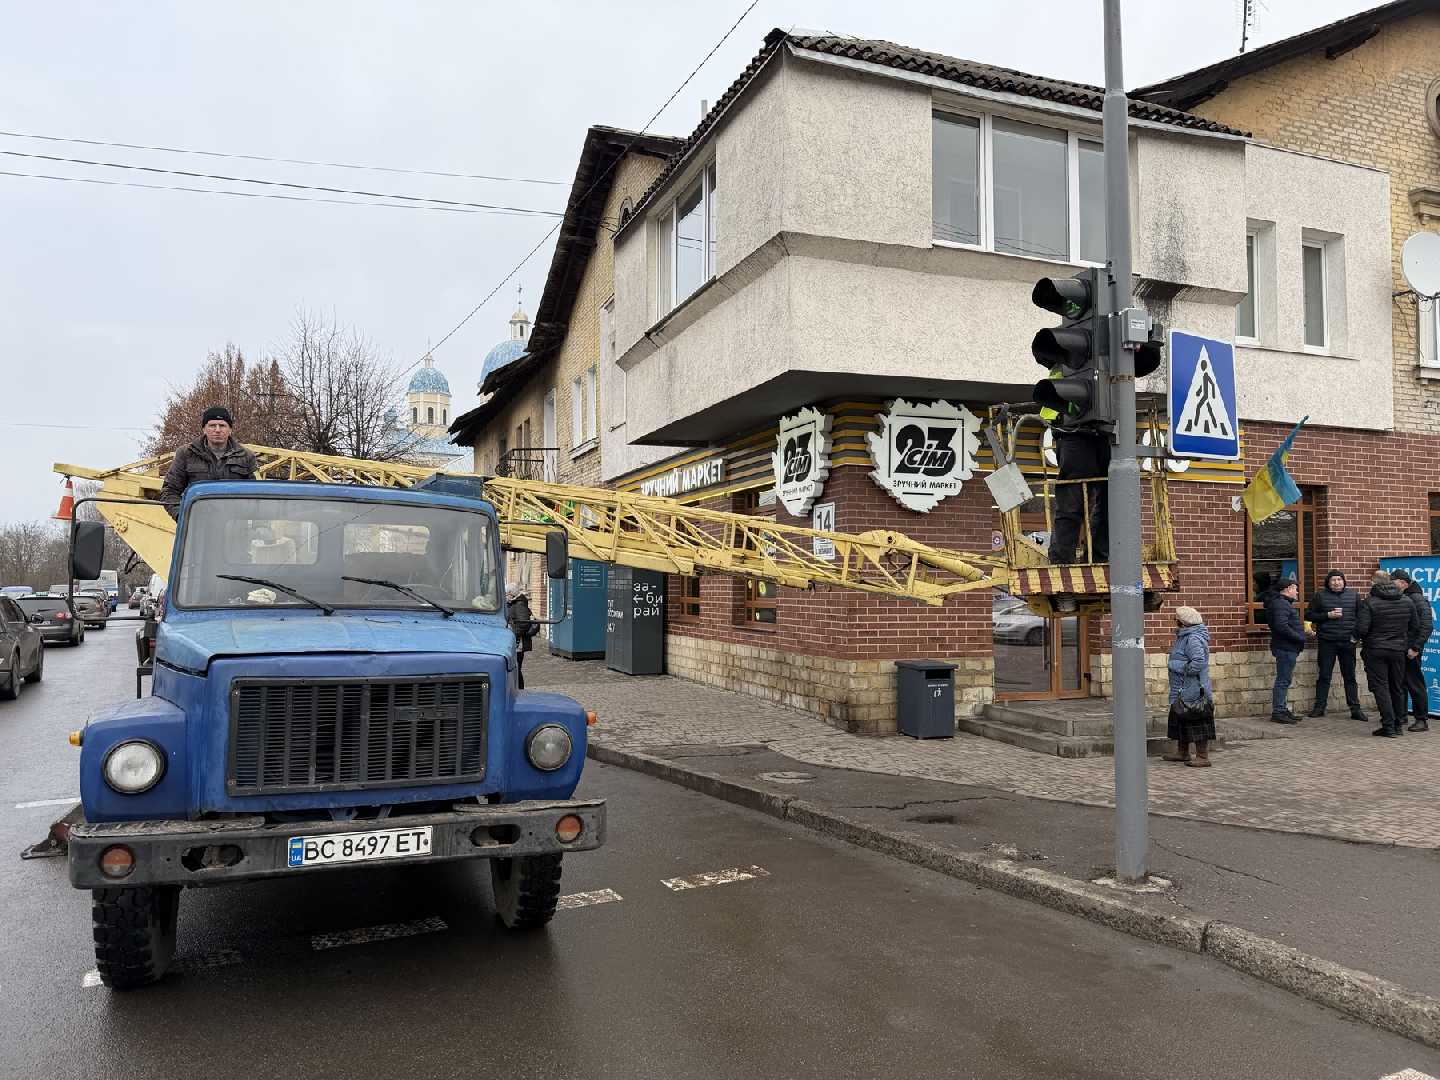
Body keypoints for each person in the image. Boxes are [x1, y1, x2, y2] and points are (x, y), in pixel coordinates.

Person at [159, 406, 258, 520]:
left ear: (230, 430)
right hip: (198, 525)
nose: (217, 430)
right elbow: (169, 491)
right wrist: (182, 517)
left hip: (235, 525)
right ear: (204, 429)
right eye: (212, 425)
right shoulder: (186, 454)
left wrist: (249, 520)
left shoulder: (246, 456)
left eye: (222, 425)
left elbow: (256, 495)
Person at [1355, 570, 1419, 739]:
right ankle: (1398, 725)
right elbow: (1415, 626)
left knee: (1380, 687)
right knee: (1396, 687)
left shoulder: (1370, 602)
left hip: (1375, 649)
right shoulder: (1407, 600)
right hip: (1398, 650)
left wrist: (1357, 638)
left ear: (1373, 583)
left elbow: (1362, 629)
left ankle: (1389, 726)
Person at [1306, 569, 1366, 721]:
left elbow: (1362, 617)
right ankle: (1319, 707)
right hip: (1327, 641)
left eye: (1339, 579)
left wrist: (1356, 636)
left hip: (1348, 642)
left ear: (1344, 581)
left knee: (1350, 676)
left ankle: (1355, 709)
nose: (1336, 582)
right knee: (1324, 675)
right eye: (1333, 580)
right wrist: (1327, 615)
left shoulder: (1354, 596)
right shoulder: (1320, 596)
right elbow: (1309, 615)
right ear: (1328, 582)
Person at [1048, 429, 1109, 565]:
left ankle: (1098, 557)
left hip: (1108, 435)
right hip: (1074, 431)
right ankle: (1061, 562)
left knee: (1111, 503)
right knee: (1071, 503)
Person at [1163, 606, 1214, 767]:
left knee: (1196, 720)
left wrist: (1177, 666)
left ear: (1183, 622)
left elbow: (1198, 662)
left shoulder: (1193, 638)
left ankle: (1202, 757)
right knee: (1181, 719)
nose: (1174, 621)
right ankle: (1182, 752)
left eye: (1176, 619)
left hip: (1193, 689)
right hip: (1182, 689)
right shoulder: (1184, 636)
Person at [1389, 569, 1433, 732]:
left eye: (1393, 583)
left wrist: (1416, 647)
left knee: (1415, 684)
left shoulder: (1417, 599)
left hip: (1411, 650)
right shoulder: (1405, 597)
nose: (1391, 586)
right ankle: (1401, 716)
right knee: (1400, 683)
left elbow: (1427, 626)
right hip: (1401, 647)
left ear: (1403, 583)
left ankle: (1421, 719)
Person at [1266, 576, 1307, 724]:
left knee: (1285, 679)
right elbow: (1281, 626)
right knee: (1283, 680)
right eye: (1295, 589)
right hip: (1285, 647)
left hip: (1286, 647)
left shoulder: (1281, 603)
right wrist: (1299, 637)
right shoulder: (1281, 604)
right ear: (1288, 589)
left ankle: (1282, 709)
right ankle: (1278, 711)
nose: (1297, 592)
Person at [507, 588, 539, 689]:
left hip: (518, 643)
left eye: (507, 594)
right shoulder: (513, 603)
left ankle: (519, 690)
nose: (505, 596)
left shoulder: (519, 604)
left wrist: (512, 635)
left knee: (516, 668)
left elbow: (523, 624)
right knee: (515, 668)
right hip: (515, 642)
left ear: (511, 594)